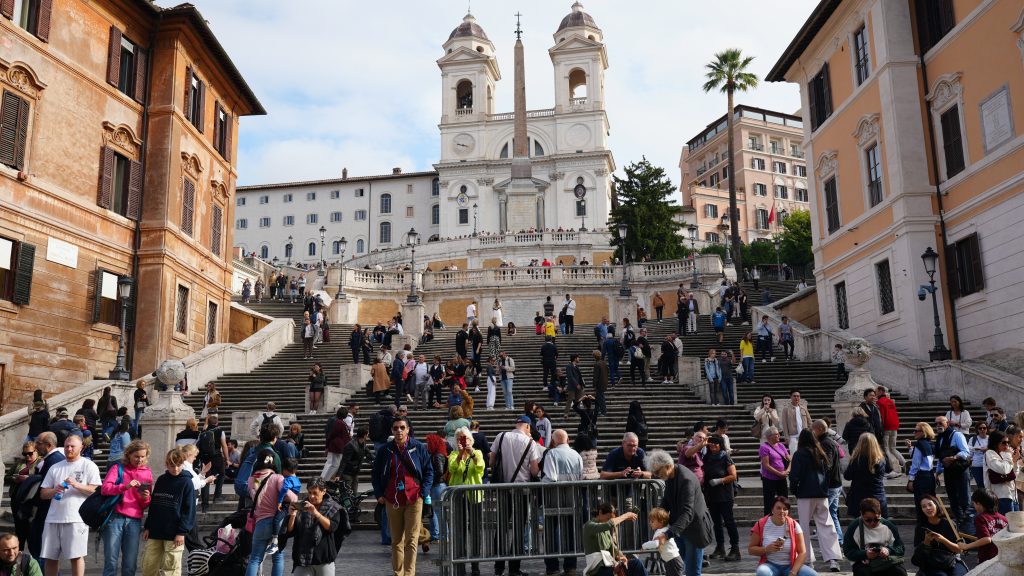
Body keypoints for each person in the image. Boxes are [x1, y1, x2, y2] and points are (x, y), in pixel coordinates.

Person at [372, 416, 434, 576]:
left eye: (402, 427)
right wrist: (379, 493)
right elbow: (376, 473)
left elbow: (429, 471)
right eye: (395, 428)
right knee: (396, 540)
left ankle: (409, 573)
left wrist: (424, 492)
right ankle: (398, 573)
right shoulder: (385, 450)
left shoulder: (418, 447)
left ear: (408, 430)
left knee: (412, 539)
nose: (399, 431)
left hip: (414, 497)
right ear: (392, 430)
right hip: (393, 498)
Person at [38, 435, 101, 576]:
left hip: (76, 519)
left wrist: (76, 484)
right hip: (53, 518)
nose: (69, 449)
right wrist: (55, 490)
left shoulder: (89, 465)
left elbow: (94, 491)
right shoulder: (55, 467)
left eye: (73, 446)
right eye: (66, 446)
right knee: (50, 557)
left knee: (76, 556)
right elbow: (43, 493)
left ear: (81, 447)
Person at [646, 449, 714, 576]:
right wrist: (657, 517)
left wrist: (667, 534)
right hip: (679, 528)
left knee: (692, 572)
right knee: (677, 568)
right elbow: (666, 501)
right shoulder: (670, 475)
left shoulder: (686, 479)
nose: (656, 474)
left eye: (657, 471)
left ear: (668, 466)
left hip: (694, 530)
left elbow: (688, 512)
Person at [489, 417, 543, 576]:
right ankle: (514, 568)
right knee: (519, 528)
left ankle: (498, 567)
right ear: (527, 426)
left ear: (516, 424)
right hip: (522, 490)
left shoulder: (501, 436)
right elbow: (534, 471)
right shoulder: (530, 443)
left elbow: (491, 462)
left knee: (501, 526)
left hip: (503, 488)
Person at [789, 430, 843, 571]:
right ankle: (833, 559)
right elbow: (828, 473)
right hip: (821, 493)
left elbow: (794, 476)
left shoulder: (799, 454)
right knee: (827, 525)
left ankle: (807, 560)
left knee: (804, 528)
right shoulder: (820, 452)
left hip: (805, 494)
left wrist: (795, 490)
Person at [102, 439, 152, 576]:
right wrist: (125, 486)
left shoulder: (147, 473)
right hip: (115, 518)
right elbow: (105, 489)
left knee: (130, 564)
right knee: (111, 562)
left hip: (134, 520)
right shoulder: (118, 468)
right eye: (136, 456)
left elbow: (145, 504)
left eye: (143, 456)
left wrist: (146, 497)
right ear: (129, 454)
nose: (139, 459)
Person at [141, 448, 194, 576]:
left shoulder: (187, 482)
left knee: (171, 568)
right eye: (171, 465)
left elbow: (189, 510)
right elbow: (154, 505)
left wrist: (182, 532)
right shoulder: (161, 480)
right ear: (166, 464)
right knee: (149, 565)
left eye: (178, 465)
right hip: (156, 530)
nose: (175, 469)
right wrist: (148, 526)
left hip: (174, 532)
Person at [283, 476, 350, 576]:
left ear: (323, 491)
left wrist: (316, 513)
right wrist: (292, 515)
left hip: (324, 559)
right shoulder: (302, 507)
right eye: (310, 493)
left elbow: (332, 527)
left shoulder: (333, 508)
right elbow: (290, 531)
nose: (312, 496)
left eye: (315, 493)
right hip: (302, 559)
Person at [246, 450, 298, 576]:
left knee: (255, 559)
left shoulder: (252, 479)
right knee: (278, 558)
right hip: (277, 524)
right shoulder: (277, 478)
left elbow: (254, 497)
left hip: (260, 523)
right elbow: (293, 498)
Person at [447, 426, 485, 576]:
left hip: (474, 495)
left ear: (471, 439)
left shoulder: (478, 453)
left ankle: (475, 565)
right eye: (459, 439)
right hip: (458, 496)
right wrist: (461, 454)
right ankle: (460, 563)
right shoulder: (454, 454)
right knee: (459, 530)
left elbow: (480, 468)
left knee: (476, 530)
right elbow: (453, 469)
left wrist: (471, 453)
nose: (462, 441)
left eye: (465, 438)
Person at [748, 496, 816, 576]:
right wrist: (766, 549)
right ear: (772, 509)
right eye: (778, 508)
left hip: (791, 565)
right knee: (762, 572)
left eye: (785, 509)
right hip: (770, 565)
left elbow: (802, 552)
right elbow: (751, 549)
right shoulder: (761, 524)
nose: (782, 511)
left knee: (811, 574)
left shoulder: (794, 525)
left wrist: (793, 572)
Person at [840, 497, 906, 576]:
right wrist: (865, 554)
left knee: (899, 572)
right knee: (863, 573)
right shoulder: (854, 527)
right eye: (868, 520)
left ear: (880, 514)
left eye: (876, 519)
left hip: (885, 561)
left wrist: (888, 550)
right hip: (863, 562)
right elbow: (848, 551)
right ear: (861, 514)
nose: (872, 523)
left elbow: (900, 548)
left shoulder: (888, 526)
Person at [582, 501, 646, 576]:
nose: (609, 520)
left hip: (609, 564)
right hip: (597, 569)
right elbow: (609, 524)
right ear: (600, 512)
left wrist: (622, 557)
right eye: (608, 518)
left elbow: (612, 547)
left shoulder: (606, 529)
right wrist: (626, 516)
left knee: (636, 564)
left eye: (611, 519)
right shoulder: (589, 525)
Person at [703, 436, 741, 562]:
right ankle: (720, 547)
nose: (712, 445)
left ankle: (735, 548)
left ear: (720, 445)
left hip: (725, 495)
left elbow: (733, 476)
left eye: (715, 443)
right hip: (711, 495)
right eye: (711, 443)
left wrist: (720, 480)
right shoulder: (707, 458)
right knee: (716, 523)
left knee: (729, 521)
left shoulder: (725, 457)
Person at [27, 432, 63, 562]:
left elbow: (47, 487)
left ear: (48, 445)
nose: (35, 447)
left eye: (38, 443)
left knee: (41, 548)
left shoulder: (54, 460)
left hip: (46, 510)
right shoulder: (52, 459)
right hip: (45, 509)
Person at [912, 494, 966, 576]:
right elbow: (918, 555)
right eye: (924, 506)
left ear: (936, 505)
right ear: (921, 510)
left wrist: (943, 540)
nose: (928, 508)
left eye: (930, 504)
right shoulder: (920, 527)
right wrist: (926, 541)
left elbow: (960, 549)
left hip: (951, 560)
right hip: (931, 563)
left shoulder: (949, 524)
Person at [811, 420, 846, 547]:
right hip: (836, 483)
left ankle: (831, 542)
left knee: (824, 515)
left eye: (813, 429)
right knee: (832, 514)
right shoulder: (831, 442)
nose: (812, 432)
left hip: (830, 485)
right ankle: (839, 540)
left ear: (820, 429)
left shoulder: (825, 443)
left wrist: (820, 481)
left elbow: (828, 464)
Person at [934, 415, 972, 527]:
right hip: (948, 471)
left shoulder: (957, 435)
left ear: (947, 423)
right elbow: (941, 457)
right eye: (936, 424)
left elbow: (966, 452)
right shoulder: (940, 438)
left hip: (960, 470)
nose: (938, 426)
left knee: (964, 498)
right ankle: (959, 521)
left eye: (941, 423)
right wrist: (938, 472)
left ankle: (969, 522)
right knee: (952, 497)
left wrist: (953, 457)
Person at [958, 489, 1008, 564]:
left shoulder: (981, 518)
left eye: (974, 503)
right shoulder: (1004, 518)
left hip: (987, 558)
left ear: (979, 503)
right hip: (1003, 556)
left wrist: (966, 546)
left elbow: (987, 539)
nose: (974, 506)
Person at [845, 433, 888, 519]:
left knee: (861, 525)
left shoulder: (856, 460)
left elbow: (847, 476)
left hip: (859, 496)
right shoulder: (881, 459)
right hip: (877, 495)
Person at [984, 430, 1021, 513]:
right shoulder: (990, 453)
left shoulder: (1004, 454)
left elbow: (1014, 474)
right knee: (1006, 524)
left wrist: (1015, 461)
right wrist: (1009, 456)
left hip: (1012, 495)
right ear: (995, 443)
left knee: (1015, 524)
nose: (1007, 445)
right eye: (1004, 443)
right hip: (1000, 496)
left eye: (1008, 442)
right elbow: (1004, 470)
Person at [642, 507, 683, 576]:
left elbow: (656, 544)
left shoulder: (662, 532)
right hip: (671, 560)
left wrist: (644, 545)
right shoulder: (664, 530)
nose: (650, 523)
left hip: (672, 560)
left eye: (652, 521)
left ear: (661, 522)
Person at [759, 427, 790, 515]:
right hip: (769, 479)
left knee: (784, 500)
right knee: (769, 502)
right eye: (776, 434)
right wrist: (779, 473)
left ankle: (785, 519)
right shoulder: (764, 447)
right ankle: (768, 522)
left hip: (782, 478)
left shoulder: (781, 445)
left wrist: (787, 471)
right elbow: (766, 465)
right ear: (770, 436)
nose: (779, 436)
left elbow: (789, 459)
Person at [424, 434, 448, 543]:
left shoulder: (437, 455)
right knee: (439, 511)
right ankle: (443, 535)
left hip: (436, 486)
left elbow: (439, 471)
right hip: (440, 485)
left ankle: (437, 535)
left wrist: (430, 481)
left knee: (434, 512)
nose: (427, 445)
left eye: (429, 443)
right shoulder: (440, 454)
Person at [876, 386, 905, 477]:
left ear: (881, 391)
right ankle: (904, 463)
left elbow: (882, 417)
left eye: (876, 391)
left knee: (886, 449)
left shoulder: (880, 402)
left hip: (886, 427)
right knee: (893, 448)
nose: (875, 393)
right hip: (894, 426)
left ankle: (892, 468)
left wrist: (881, 428)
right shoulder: (891, 401)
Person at [322, 407, 351, 480]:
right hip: (337, 446)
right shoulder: (339, 423)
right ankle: (324, 480)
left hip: (336, 446)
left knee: (334, 464)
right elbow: (333, 435)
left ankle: (325, 479)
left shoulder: (339, 422)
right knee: (334, 465)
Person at [780, 390, 811, 454]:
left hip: (804, 435)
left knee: (805, 454)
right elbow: (784, 424)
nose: (796, 398)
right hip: (793, 436)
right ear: (791, 397)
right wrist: (786, 437)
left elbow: (809, 421)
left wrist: (811, 434)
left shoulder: (803, 408)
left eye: (798, 396)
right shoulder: (786, 409)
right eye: (794, 396)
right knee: (794, 454)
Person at [593, 350, 609, 417]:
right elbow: (607, 372)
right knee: (599, 398)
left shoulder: (597, 364)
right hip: (604, 382)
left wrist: (594, 385)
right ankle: (599, 410)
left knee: (601, 398)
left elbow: (596, 376)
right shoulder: (603, 363)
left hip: (599, 384)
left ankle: (603, 411)